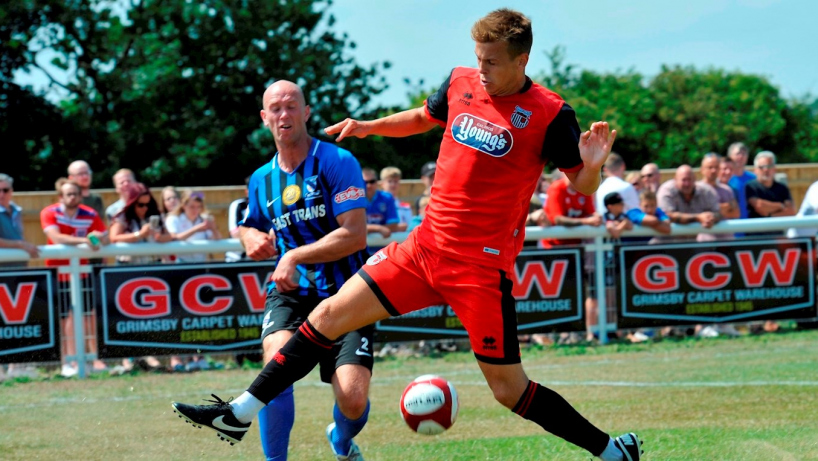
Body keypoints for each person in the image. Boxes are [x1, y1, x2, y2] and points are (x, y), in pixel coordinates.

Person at [171, 10, 642, 461]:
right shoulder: (461, 81)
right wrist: (368, 128)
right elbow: (423, 117)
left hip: (480, 269)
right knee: (330, 313)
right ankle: (239, 413)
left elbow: (581, 182)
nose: (480, 69)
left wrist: (594, 166)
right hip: (423, 248)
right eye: (477, 58)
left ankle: (612, 450)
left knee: (508, 390)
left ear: (522, 61)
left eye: (491, 61)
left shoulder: (551, 113)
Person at [183, 81, 374, 460]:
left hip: (349, 292)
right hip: (292, 291)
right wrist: (246, 235)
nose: (283, 115)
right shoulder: (260, 179)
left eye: (291, 107)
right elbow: (250, 224)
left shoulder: (338, 162)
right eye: (276, 108)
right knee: (277, 362)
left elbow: (354, 235)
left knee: (352, 399)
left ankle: (341, 439)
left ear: (306, 112)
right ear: (264, 118)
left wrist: (292, 256)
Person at [41, 178, 108, 376]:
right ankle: (66, 362)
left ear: (81, 195)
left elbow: (104, 235)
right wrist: (86, 240)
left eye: (75, 194)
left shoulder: (90, 213)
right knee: (62, 320)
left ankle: (93, 360)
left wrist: (97, 238)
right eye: (67, 194)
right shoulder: (50, 212)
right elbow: (56, 238)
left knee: (88, 316)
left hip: (82, 272)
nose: (71, 197)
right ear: (60, 196)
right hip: (57, 273)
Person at [542, 176, 603, 343]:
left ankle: (576, 333)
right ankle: (558, 333)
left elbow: (590, 212)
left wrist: (596, 217)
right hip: (554, 249)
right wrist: (588, 221)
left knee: (577, 293)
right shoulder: (557, 188)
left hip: (576, 250)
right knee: (558, 294)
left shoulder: (585, 187)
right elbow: (558, 219)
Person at [109, 182, 173, 263]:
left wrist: (159, 237)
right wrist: (139, 234)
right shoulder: (123, 216)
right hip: (128, 264)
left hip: (153, 261)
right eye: (141, 205)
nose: (145, 208)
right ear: (133, 203)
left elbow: (169, 236)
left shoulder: (156, 214)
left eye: (148, 204)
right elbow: (113, 238)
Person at [656, 165, 721, 241]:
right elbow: (667, 215)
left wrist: (710, 218)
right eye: (684, 180)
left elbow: (718, 213)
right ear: (675, 180)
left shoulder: (706, 191)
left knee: (708, 239)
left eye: (689, 180)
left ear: (695, 179)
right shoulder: (666, 190)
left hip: (696, 240)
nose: (687, 184)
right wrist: (698, 217)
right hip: (669, 240)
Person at [745, 151, 795, 235]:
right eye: (762, 167)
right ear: (755, 170)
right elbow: (760, 207)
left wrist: (770, 216)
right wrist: (781, 206)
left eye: (769, 166)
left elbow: (791, 211)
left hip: (778, 237)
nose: (766, 170)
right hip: (755, 237)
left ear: (774, 169)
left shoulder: (782, 188)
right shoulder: (750, 187)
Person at [164, 191, 221, 263]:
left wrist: (213, 228)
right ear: (184, 205)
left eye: (198, 207)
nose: (196, 210)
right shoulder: (173, 219)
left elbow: (218, 242)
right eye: (192, 207)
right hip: (179, 265)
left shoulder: (203, 220)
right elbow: (173, 238)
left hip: (201, 265)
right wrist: (196, 229)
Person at [0, 173, 39, 266]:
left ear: (11, 191)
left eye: (5, 190)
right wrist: (20, 244)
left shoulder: (16, 210)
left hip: (19, 266)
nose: (1, 194)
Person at [363, 167, 401, 241]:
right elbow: (354, 227)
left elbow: (393, 225)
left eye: (372, 181)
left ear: (377, 182)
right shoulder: (355, 199)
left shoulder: (387, 197)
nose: (369, 185)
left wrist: (366, 229)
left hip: (382, 246)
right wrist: (378, 228)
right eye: (365, 182)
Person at [726, 142, 756, 220]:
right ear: (730, 156)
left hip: (752, 226)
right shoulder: (725, 179)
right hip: (731, 226)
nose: (741, 156)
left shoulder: (754, 178)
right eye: (738, 154)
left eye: (744, 154)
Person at [226, 177, 251, 263]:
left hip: (263, 258)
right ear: (246, 191)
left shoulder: (268, 205)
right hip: (236, 259)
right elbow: (234, 233)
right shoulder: (238, 205)